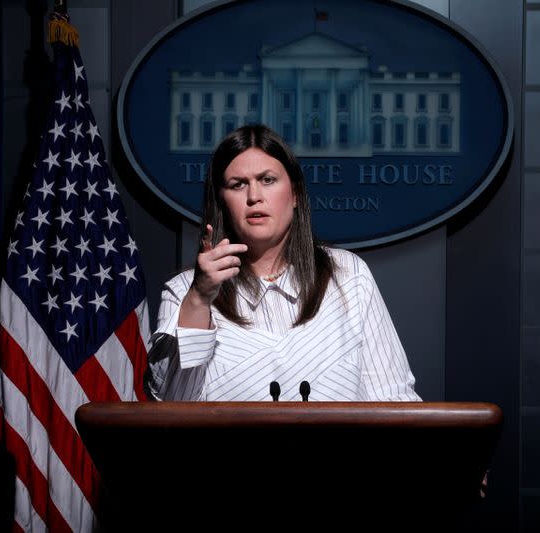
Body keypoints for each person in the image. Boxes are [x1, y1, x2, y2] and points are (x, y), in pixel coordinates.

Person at [146, 124, 422, 402]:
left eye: (267, 180)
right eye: (238, 184)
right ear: (221, 201)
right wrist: (200, 298)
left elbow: (393, 397)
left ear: (295, 195)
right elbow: (170, 403)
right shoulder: (184, 291)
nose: (254, 196)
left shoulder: (349, 275)